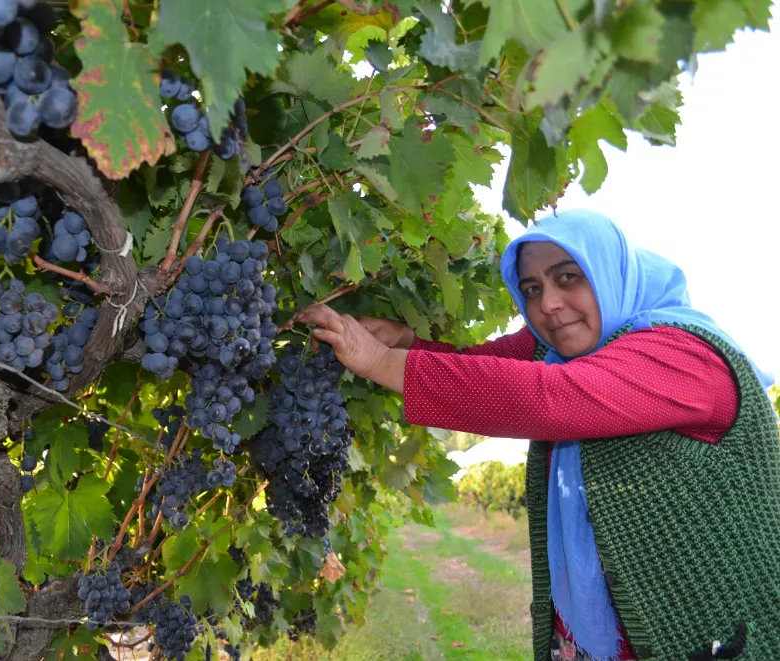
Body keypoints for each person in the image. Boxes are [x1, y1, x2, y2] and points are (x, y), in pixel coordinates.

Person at [295, 209, 780, 661]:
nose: (547, 303)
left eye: (569, 277)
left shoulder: (684, 354)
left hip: (710, 635)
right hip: (605, 632)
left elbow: (549, 398)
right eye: (530, 287)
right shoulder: (568, 348)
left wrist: (379, 363)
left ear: (611, 273)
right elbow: (486, 365)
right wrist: (406, 342)